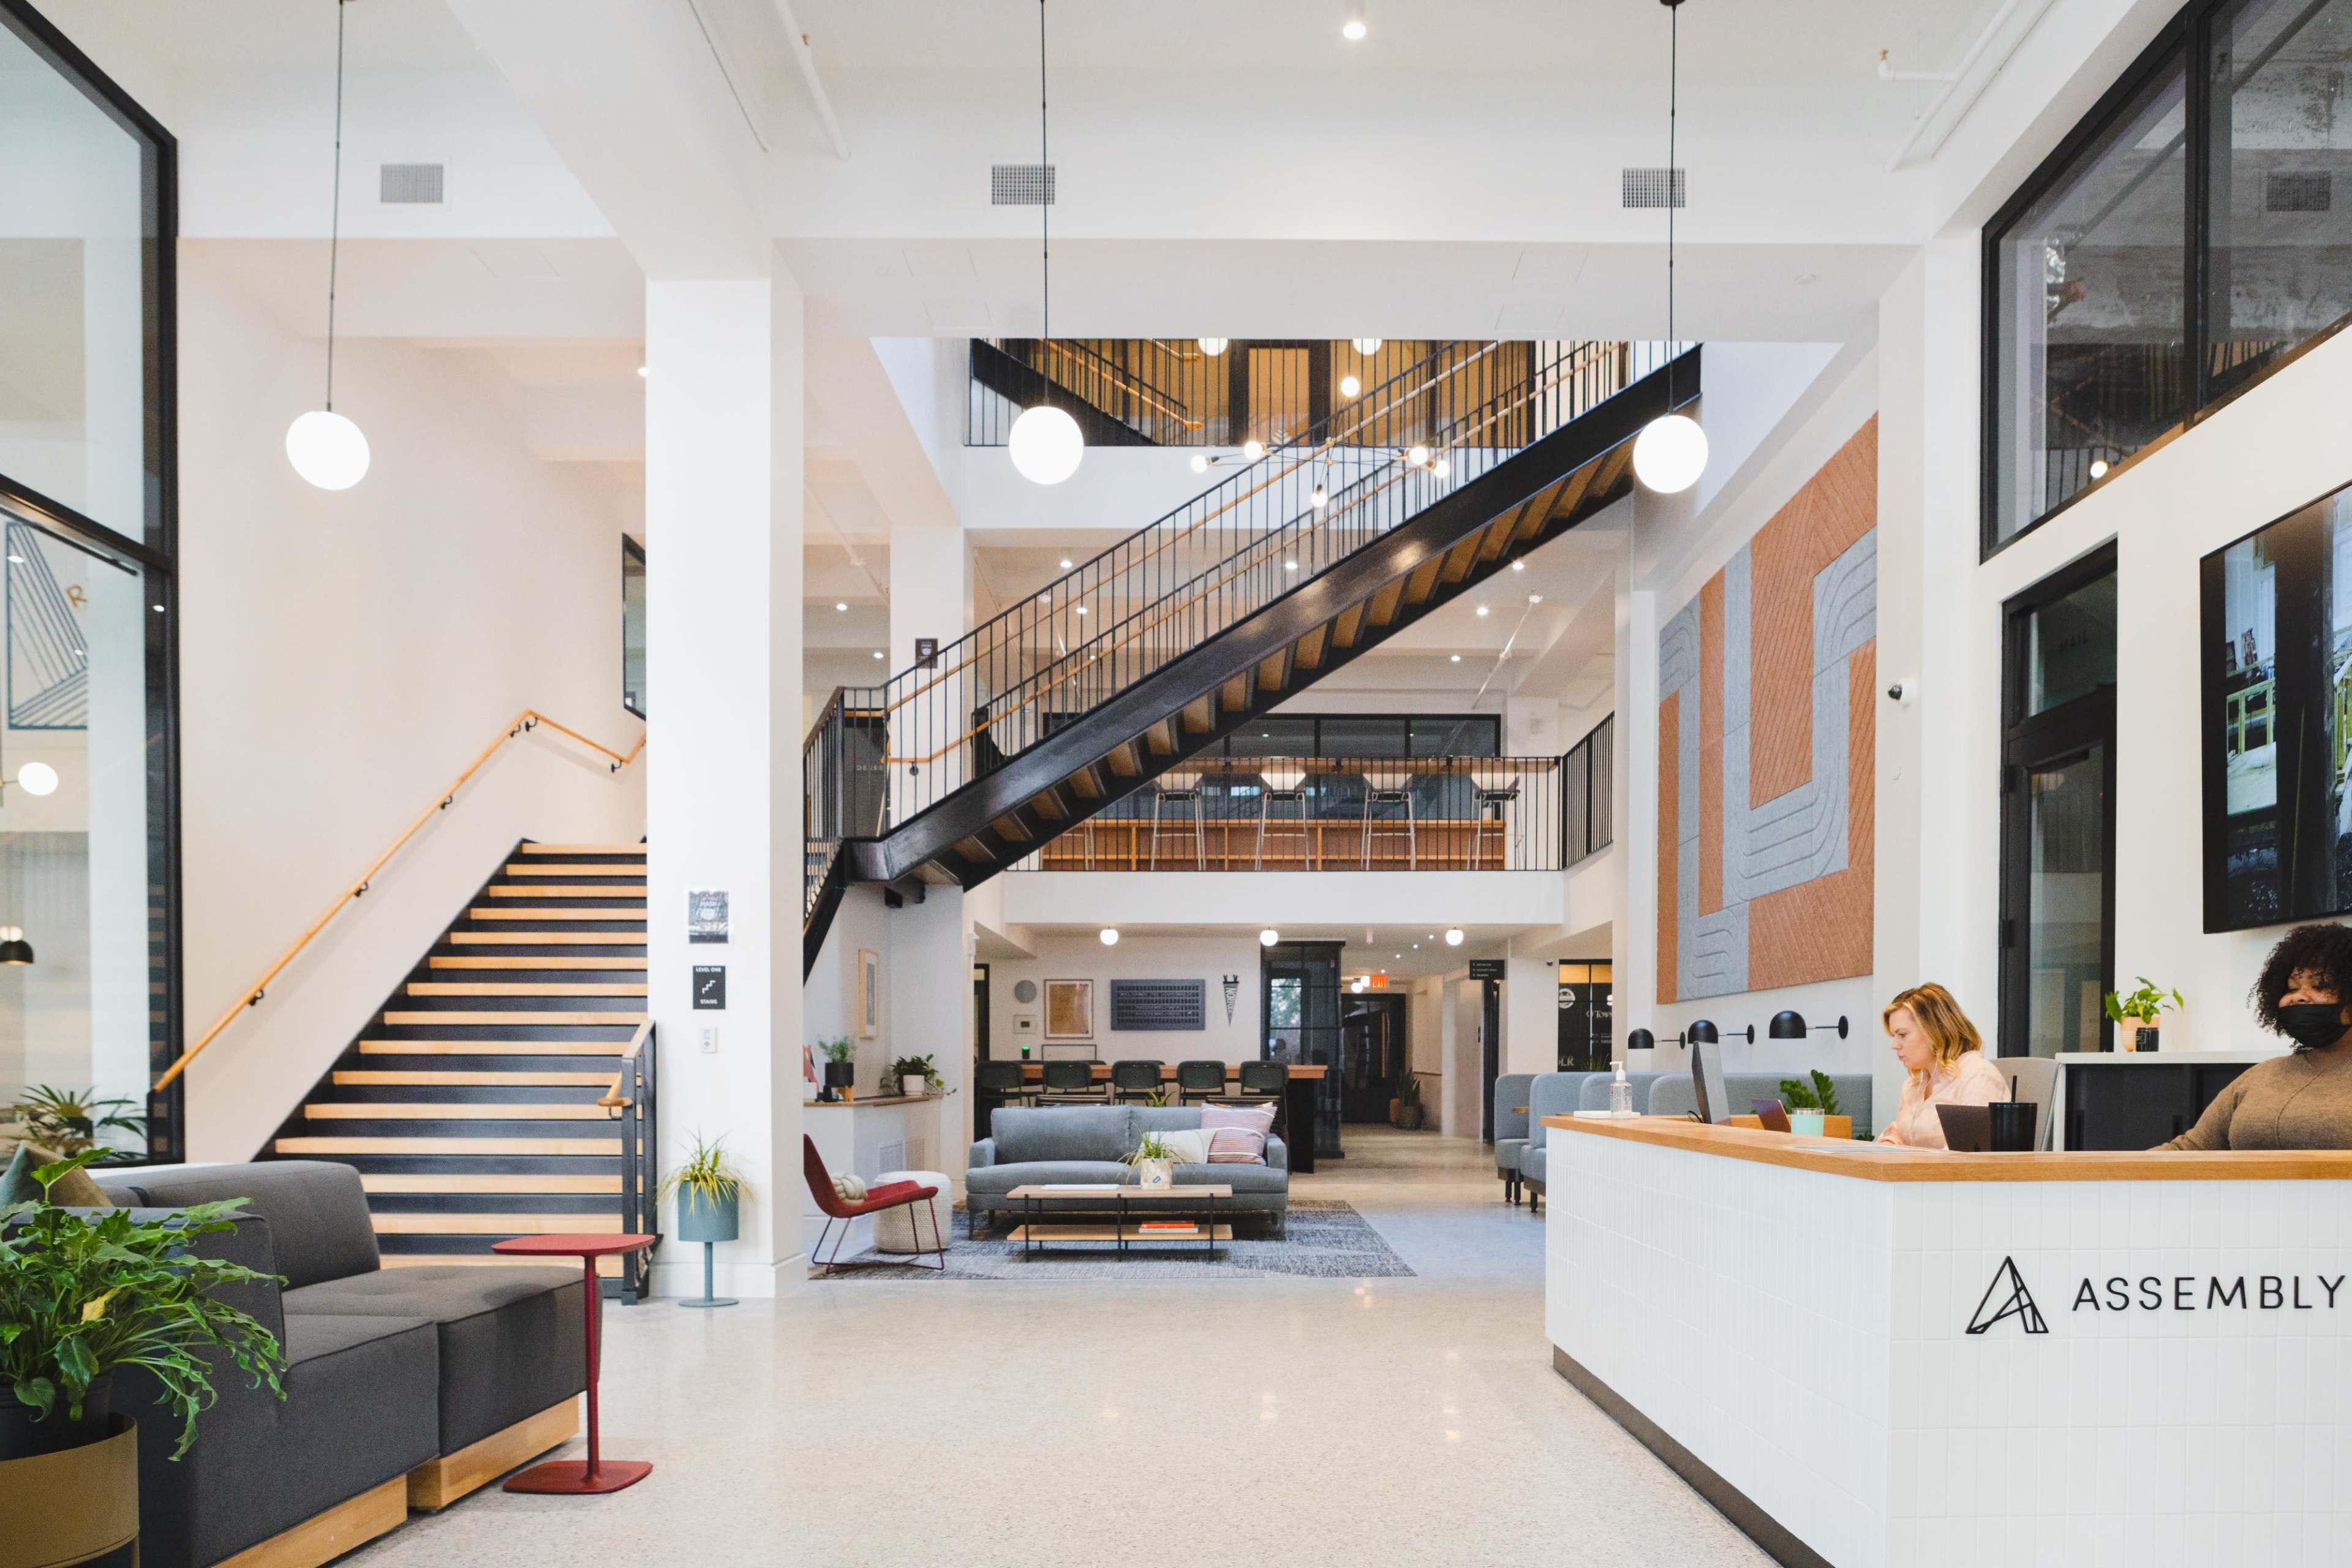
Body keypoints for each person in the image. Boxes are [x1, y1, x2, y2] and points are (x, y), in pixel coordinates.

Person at [2163, 922, 2352, 1150]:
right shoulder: (2260, 1076)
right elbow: (2190, 1148)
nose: (2298, 997)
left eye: (2321, 986)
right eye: (2292, 989)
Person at [1877, 983, 2008, 1148]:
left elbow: (1966, 1151)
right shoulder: (1913, 1084)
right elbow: (1904, 1135)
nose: (1895, 1045)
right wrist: (1888, 1144)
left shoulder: (1978, 1075)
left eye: (1902, 1035)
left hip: (1950, 1166)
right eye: (1894, 1036)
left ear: (1934, 1030)